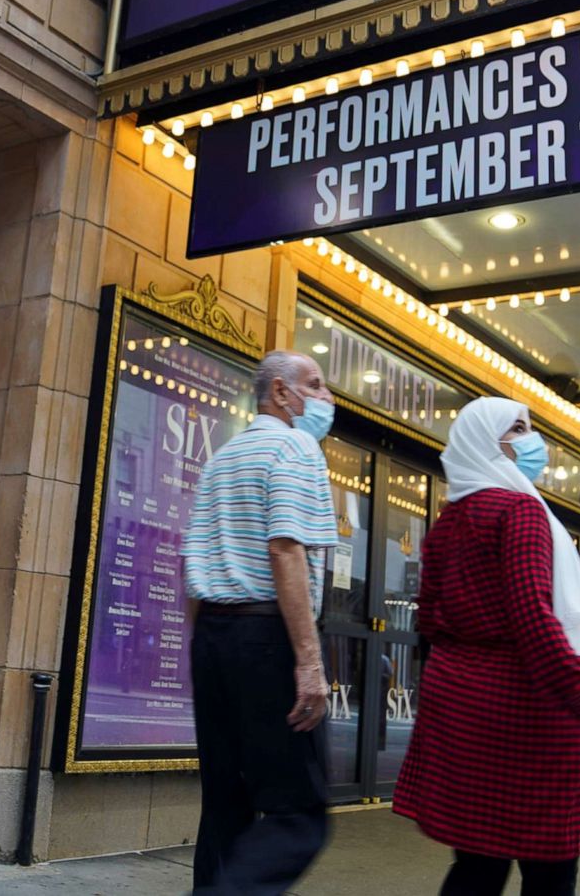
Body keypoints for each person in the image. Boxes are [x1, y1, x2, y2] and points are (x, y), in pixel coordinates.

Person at [394, 397, 580, 896]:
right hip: (527, 709)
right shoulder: (520, 510)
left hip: (459, 703)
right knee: (551, 864)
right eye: (518, 428)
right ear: (486, 440)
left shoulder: (448, 522)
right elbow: (533, 618)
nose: (532, 441)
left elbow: (431, 619)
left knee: (478, 861)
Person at [181, 349, 340, 895]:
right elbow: (286, 549)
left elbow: (191, 563)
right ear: (279, 392)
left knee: (225, 806)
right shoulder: (296, 446)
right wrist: (310, 661)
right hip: (266, 636)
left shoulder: (224, 456)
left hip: (214, 637)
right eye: (315, 385)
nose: (326, 398)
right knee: (300, 816)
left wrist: (206, 649)